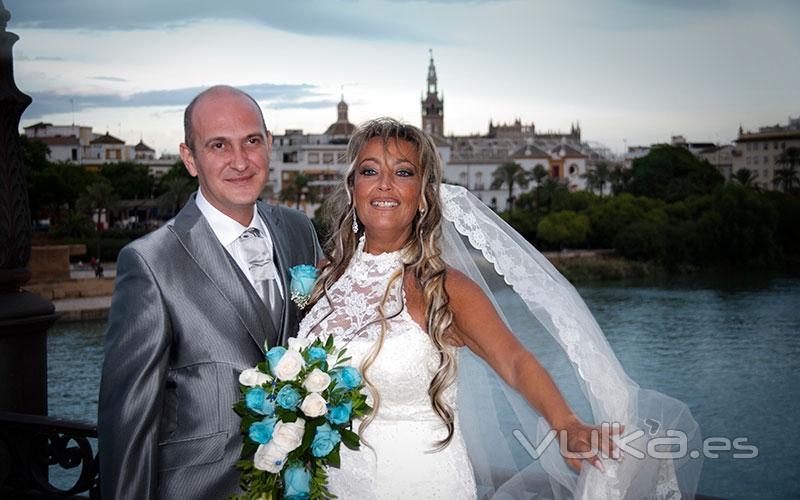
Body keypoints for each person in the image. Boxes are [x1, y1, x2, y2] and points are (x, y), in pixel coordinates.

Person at [297, 118, 702, 499]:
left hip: (413, 482)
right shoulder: (324, 277)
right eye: (370, 171)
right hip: (328, 482)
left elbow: (513, 360)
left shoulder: (443, 287)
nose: (384, 185)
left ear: (423, 195)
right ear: (352, 188)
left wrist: (566, 424)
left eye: (403, 172)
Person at [98, 86, 322, 499]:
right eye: (219, 145)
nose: (240, 161)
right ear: (190, 158)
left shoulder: (299, 231)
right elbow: (128, 427)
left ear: (269, 145)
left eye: (251, 141)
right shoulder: (149, 263)